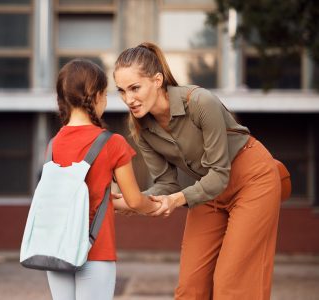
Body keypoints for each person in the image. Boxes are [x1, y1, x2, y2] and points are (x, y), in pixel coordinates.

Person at [113, 42, 281, 299]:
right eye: (122, 91)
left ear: (157, 80)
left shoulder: (200, 102)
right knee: (190, 286)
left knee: (232, 283)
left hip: (252, 180)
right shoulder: (142, 129)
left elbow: (218, 174)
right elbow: (166, 185)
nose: (128, 99)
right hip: (207, 189)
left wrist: (176, 200)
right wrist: (133, 200)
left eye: (135, 88)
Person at [46, 59, 161, 300]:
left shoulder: (53, 144)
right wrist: (157, 205)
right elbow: (135, 200)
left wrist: (112, 201)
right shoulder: (112, 143)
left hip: (56, 249)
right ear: (97, 96)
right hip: (95, 250)